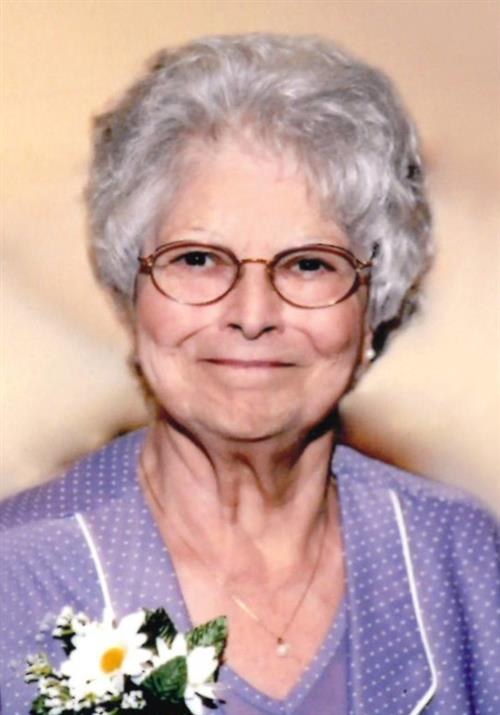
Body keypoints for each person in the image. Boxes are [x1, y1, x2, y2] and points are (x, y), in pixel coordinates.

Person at [1, 34, 498, 715]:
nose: (252, 314)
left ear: (374, 309)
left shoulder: (461, 559)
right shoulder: (18, 569)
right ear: (131, 293)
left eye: (309, 264)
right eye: (198, 259)